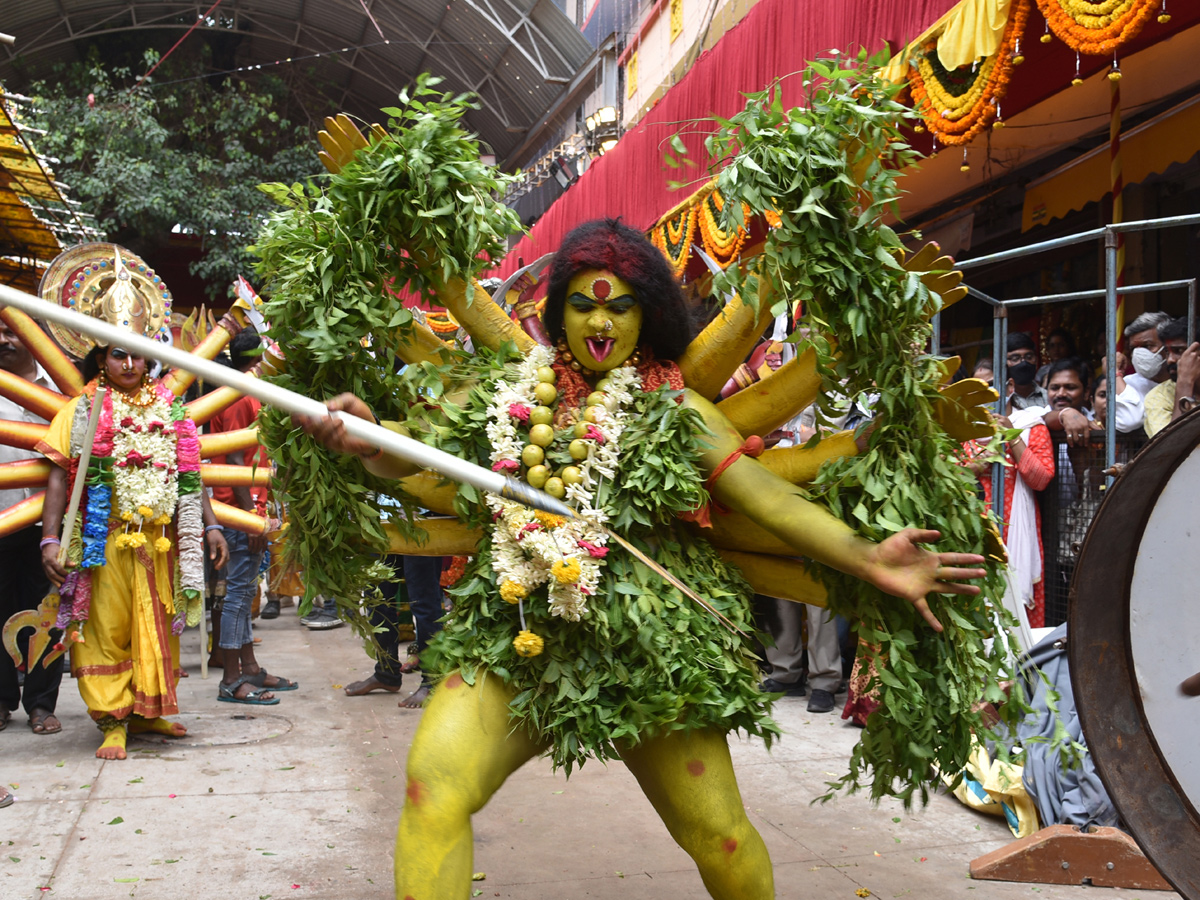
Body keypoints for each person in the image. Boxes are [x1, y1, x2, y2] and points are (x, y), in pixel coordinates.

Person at [298, 219, 986, 899]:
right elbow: (427, 461)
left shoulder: (679, 410)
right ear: (556, 309)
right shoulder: (510, 395)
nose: (601, 323)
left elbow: (770, 501)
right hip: (518, 640)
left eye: (620, 307)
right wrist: (366, 437)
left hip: (649, 654)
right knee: (432, 786)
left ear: (647, 317)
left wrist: (871, 559)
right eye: (585, 304)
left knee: (720, 838)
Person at [39, 342, 229, 759]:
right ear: (100, 360)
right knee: (105, 632)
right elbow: (58, 476)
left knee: (159, 628)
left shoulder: (171, 410)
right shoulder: (82, 409)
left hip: (159, 544)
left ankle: (146, 712)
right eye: (118, 355)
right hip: (102, 541)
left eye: (137, 356)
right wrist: (50, 539)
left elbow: (190, 477)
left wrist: (211, 526)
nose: (129, 365)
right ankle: (112, 720)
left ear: (149, 359)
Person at [208, 328, 297, 705]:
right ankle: (231, 679)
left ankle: (250, 667)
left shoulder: (251, 391)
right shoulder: (238, 393)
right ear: (260, 359)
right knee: (237, 595)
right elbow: (231, 457)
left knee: (245, 593)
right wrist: (251, 514)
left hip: (249, 507)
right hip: (236, 511)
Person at [0, 320, 65, 736]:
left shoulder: (62, 392)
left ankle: (41, 704)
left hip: (51, 526)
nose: (5, 340)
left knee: (51, 614)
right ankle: (1, 700)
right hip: (3, 518)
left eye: (12, 331)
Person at [343, 554, 445, 708]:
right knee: (376, 596)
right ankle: (386, 672)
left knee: (423, 598)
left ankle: (432, 681)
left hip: (422, 533)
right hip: (387, 532)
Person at [1144, 317, 1200, 438]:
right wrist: (1185, 383)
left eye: (1178, 350)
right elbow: (1168, 446)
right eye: (1167, 352)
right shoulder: (1159, 396)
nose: (1170, 360)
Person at [1123, 311, 1172, 400]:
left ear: (1168, 346)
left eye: (1147, 346)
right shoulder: (1127, 385)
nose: (1138, 353)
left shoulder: (1187, 382)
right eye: (1133, 348)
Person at [1005, 333, 1049, 410]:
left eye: (1029, 357)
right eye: (1015, 358)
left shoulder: (1048, 397)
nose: (1023, 363)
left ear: (1036, 360)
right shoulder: (998, 399)